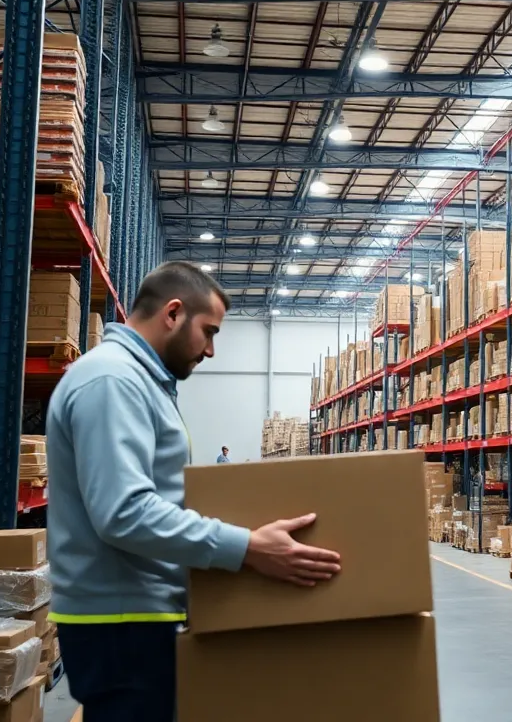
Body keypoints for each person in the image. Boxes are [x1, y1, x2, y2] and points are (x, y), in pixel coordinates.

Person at [46, 262, 343, 721]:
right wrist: (247, 547)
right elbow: (124, 512)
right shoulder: (113, 380)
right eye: (209, 331)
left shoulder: (138, 382)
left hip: (134, 618)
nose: (210, 350)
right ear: (172, 313)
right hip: (122, 625)